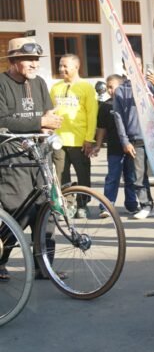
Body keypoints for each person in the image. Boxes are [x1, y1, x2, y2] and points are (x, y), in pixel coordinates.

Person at [0, 36, 63, 280]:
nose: (35, 64)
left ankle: (45, 266)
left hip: (40, 153)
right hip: (11, 156)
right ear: (14, 61)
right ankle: (1, 260)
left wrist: (49, 124)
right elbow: (2, 122)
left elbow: (47, 112)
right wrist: (40, 122)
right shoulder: (2, 83)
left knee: (46, 210)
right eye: (29, 59)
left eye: (37, 59)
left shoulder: (39, 83)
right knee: (18, 210)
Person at [50, 54, 97, 218]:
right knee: (61, 174)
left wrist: (89, 139)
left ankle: (83, 204)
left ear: (76, 67)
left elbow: (92, 114)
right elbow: (50, 112)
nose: (61, 69)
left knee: (83, 174)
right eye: (60, 65)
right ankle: (67, 205)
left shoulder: (86, 87)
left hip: (80, 140)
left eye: (65, 66)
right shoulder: (55, 87)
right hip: (58, 141)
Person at [112, 55, 154, 219]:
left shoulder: (150, 86)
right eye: (131, 65)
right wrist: (124, 141)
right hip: (135, 139)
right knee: (138, 176)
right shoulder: (120, 90)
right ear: (125, 68)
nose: (136, 68)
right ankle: (146, 205)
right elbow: (118, 117)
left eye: (138, 64)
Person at [92, 74, 139, 216]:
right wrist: (98, 145)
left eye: (112, 87)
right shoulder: (105, 106)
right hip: (114, 148)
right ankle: (107, 205)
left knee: (131, 177)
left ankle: (132, 205)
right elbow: (101, 128)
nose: (110, 90)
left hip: (132, 146)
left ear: (122, 86)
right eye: (108, 88)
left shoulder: (130, 102)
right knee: (113, 177)